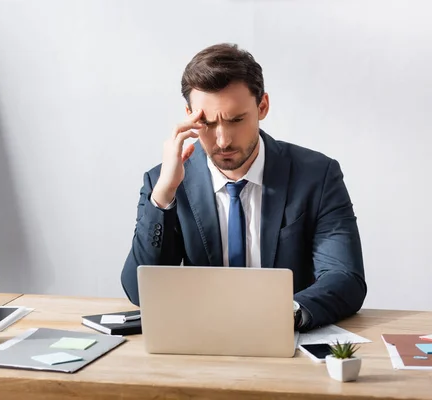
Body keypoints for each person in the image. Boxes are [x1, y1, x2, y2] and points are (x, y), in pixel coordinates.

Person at [120, 43, 366, 332]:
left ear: (262, 107)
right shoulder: (165, 182)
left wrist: (284, 314)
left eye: (236, 120)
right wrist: (163, 196)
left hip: (286, 337)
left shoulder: (317, 175)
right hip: (201, 340)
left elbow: (345, 277)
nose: (223, 140)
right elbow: (139, 292)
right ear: (188, 115)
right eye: (207, 123)